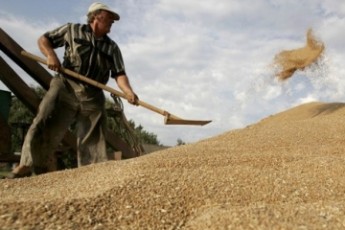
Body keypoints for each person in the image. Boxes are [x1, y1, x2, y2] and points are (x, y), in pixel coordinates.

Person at [7, 2, 139, 178]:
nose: (112, 22)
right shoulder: (71, 29)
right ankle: (27, 164)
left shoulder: (112, 48)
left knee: (93, 136)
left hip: (93, 93)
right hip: (65, 85)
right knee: (45, 119)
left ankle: (89, 174)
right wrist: (51, 55)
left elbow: (119, 74)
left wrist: (128, 91)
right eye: (110, 18)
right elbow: (44, 39)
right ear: (96, 16)